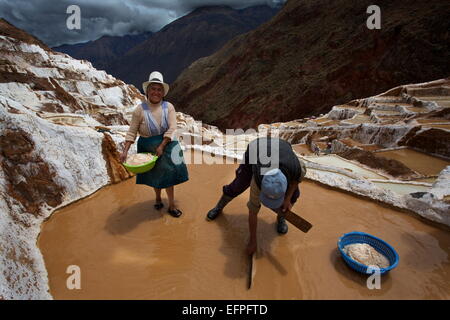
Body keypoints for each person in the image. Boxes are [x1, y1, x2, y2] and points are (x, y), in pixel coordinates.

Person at [206, 137, 306, 255]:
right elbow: (253, 211)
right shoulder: (257, 181)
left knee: (294, 195)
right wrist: (252, 241)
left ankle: (281, 217)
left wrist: (288, 199)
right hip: (255, 150)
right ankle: (219, 206)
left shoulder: (296, 168)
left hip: (281, 148)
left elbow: (296, 180)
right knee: (238, 185)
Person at [120, 71, 189, 217]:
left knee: (169, 176)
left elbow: (172, 127)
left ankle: (171, 206)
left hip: (167, 144)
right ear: (147, 91)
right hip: (147, 147)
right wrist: (125, 151)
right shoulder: (140, 110)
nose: (156, 92)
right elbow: (132, 131)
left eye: (159, 89)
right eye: (153, 89)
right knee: (155, 175)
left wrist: (162, 145)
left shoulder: (168, 107)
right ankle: (158, 199)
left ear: (163, 93)